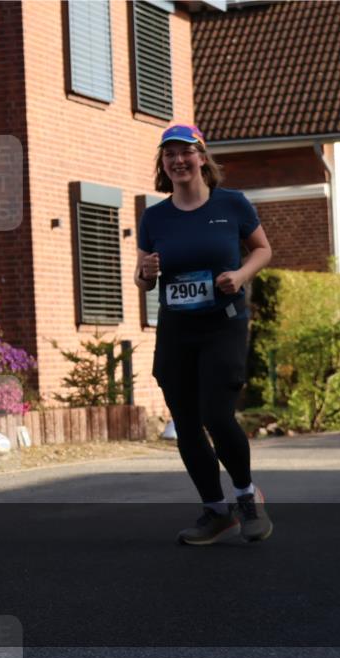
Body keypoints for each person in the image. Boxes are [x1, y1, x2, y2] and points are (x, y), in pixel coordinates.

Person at [136, 124, 274, 546]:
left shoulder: (231, 204)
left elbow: (263, 249)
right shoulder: (154, 217)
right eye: (169, 155)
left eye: (185, 153)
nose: (178, 161)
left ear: (202, 157)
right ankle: (216, 511)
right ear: (163, 164)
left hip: (223, 323)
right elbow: (143, 277)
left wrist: (240, 274)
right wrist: (146, 274)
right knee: (187, 423)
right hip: (177, 327)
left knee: (217, 414)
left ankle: (247, 497)